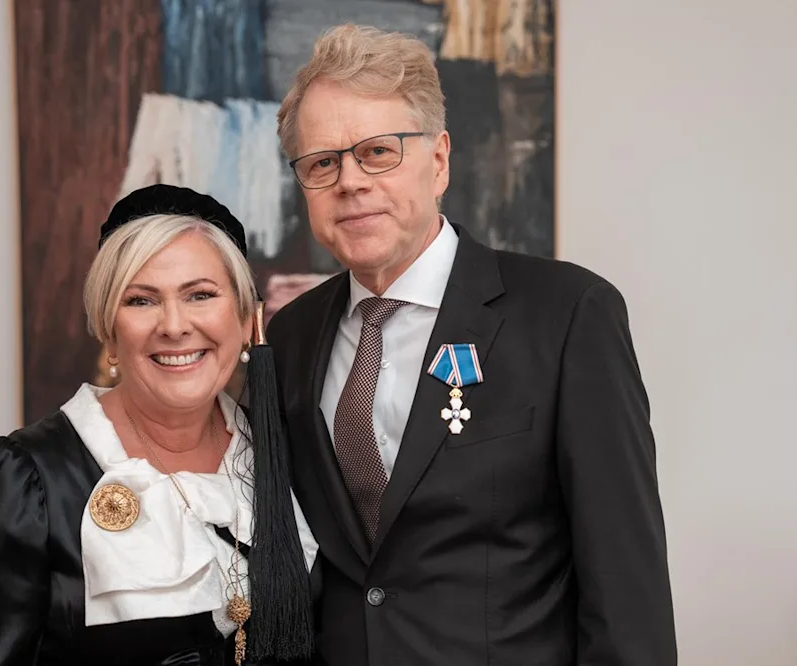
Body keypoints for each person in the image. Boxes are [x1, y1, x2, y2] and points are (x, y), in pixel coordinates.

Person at [266, 24, 678, 666]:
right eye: (323, 162)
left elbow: (627, 589)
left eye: (378, 152)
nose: (349, 181)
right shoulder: (290, 337)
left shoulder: (568, 315)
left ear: (438, 161)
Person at [0, 185, 318, 666]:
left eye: (200, 295)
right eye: (141, 301)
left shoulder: (290, 454)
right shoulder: (22, 483)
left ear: (246, 318)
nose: (174, 325)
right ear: (109, 331)